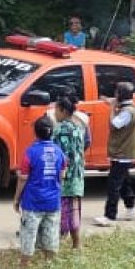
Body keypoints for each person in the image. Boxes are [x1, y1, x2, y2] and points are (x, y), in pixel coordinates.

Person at [13, 116, 65, 269]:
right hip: (53, 202)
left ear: (35, 133)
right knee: (51, 234)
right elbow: (62, 175)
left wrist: (16, 199)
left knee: (28, 234)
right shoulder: (58, 151)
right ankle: (48, 267)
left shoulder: (31, 152)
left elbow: (23, 178)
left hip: (33, 202)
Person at [95, 81, 135, 225]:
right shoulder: (127, 106)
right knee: (124, 182)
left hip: (122, 154)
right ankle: (131, 209)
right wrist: (106, 100)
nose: (114, 95)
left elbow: (113, 125)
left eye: (116, 92)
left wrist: (112, 108)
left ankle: (110, 216)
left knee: (113, 185)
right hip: (122, 154)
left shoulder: (127, 112)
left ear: (120, 95)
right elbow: (111, 101)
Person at [52, 96, 86, 249]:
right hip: (77, 176)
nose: (54, 114)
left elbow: (60, 156)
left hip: (66, 177)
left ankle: (60, 243)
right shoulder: (78, 126)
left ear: (63, 110)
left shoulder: (61, 129)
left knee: (63, 211)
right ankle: (75, 244)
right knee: (74, 210)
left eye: (56, 110)